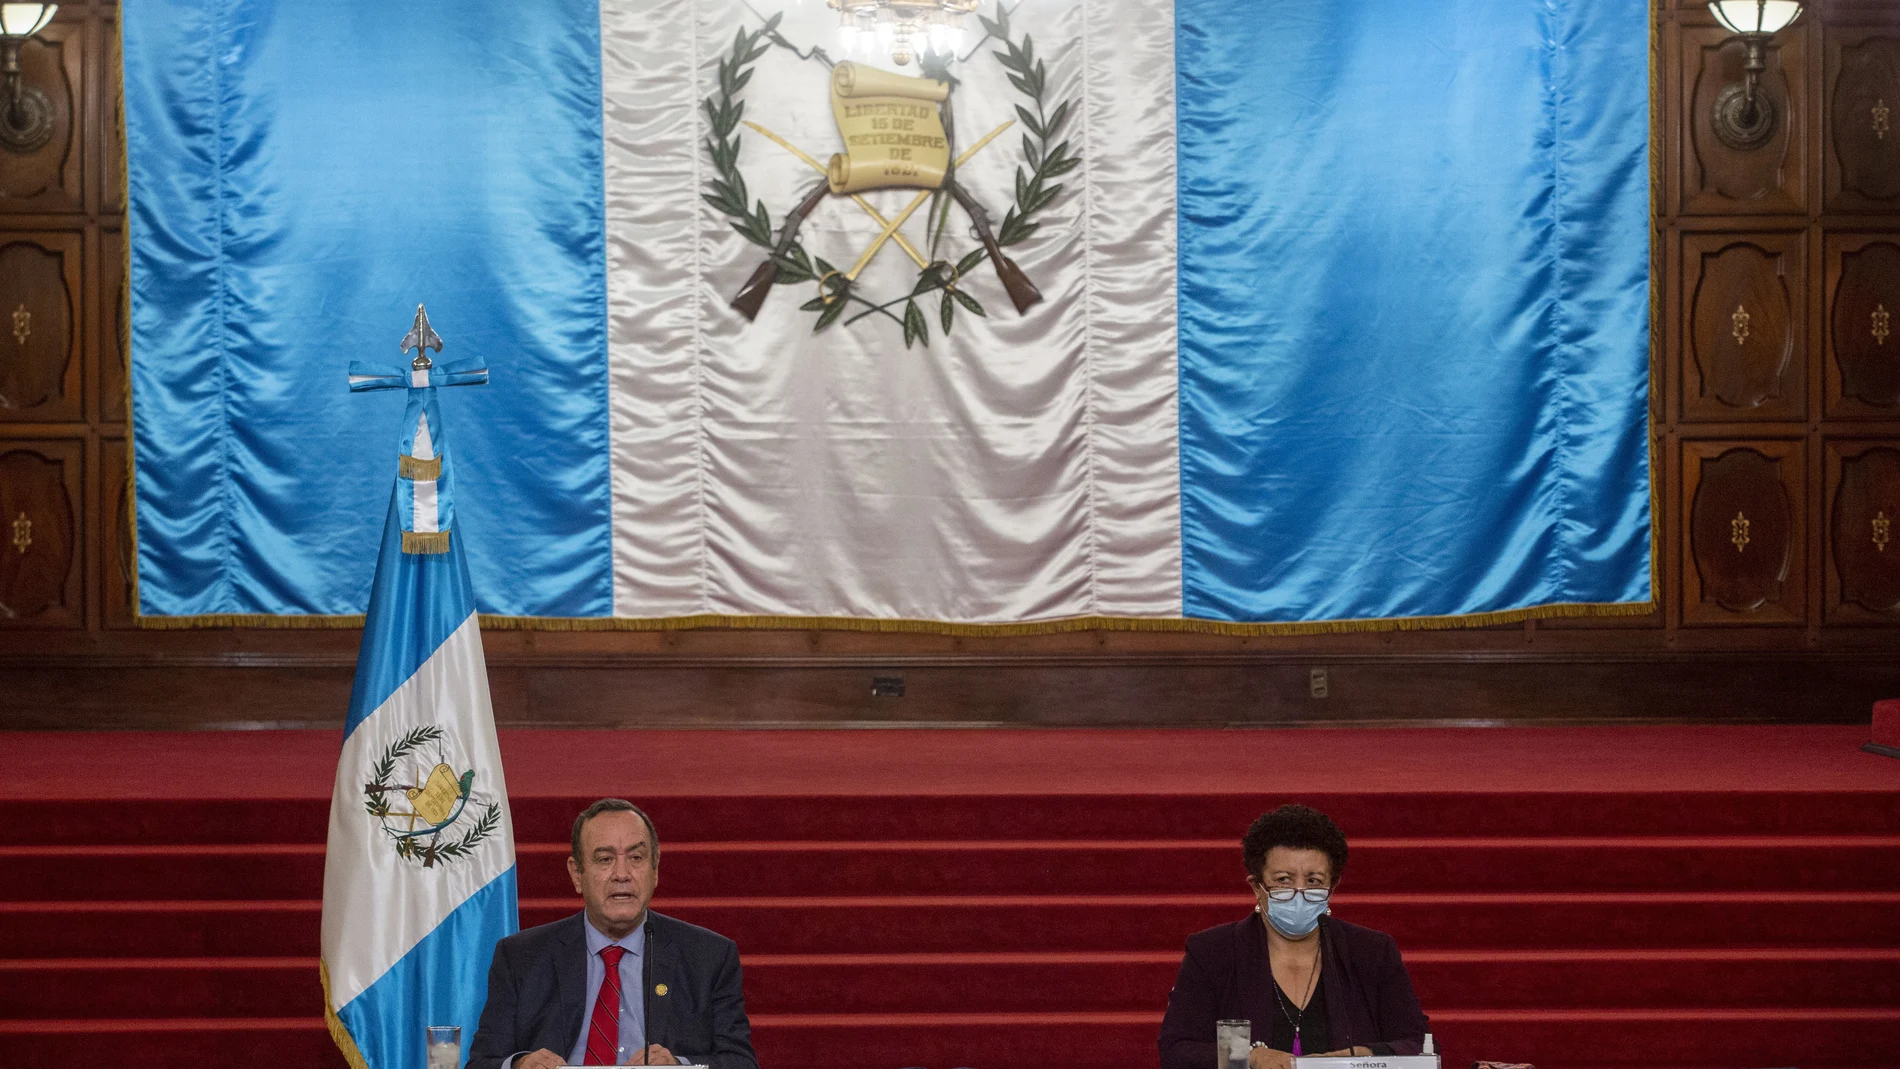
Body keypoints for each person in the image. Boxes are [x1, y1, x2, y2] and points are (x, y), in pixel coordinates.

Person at [468, 799, 758, 1069]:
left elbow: (740, 1062)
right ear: (576, 874)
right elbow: (483, 1062)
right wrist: (518, 1065)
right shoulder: (521, 957)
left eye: (636, 857)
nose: (622, 873)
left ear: (655, 869)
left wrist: (680, 1067)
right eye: (605, 859)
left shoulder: (708, 957)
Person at [1158, 804, 1428, 1069]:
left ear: (1332, 888)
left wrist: (1360, 1056)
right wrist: (1250, 1058)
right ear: (1257, 887)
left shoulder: (1372, 952)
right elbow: (1177, 1048)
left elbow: (1417, 1043)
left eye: (1313, 881)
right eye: (1284, 880)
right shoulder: (1212, 952)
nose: (1299, 892)